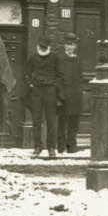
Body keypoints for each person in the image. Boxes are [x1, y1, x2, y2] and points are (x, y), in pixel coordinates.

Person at [24, 31, 61, 159]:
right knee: (36, 121)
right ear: (38, 46)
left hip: (50, 91)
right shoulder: (33, 57)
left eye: (45, 47)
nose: (42, 48)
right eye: (41, 46)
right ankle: (37, 147)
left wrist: (54, 86)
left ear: (48, 47)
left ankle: (51, 148)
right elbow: (27, 74)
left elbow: (59, 75)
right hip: (37, 91)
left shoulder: (55, 58)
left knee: (51, 121)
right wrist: (31, 84)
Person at [57, 38, 85, 153]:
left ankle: (71, 146)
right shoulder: (60, 59)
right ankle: (61, 146)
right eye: (67, 44)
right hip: (64, 95)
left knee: (74, 123)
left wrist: (80, 90)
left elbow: (79, 77)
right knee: (63, 122)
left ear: (75, 46)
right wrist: (60, 94)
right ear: (64, 46)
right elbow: (58, 77)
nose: (69, 47)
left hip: (76, 96)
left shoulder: (78, 60)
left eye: (72, 45)